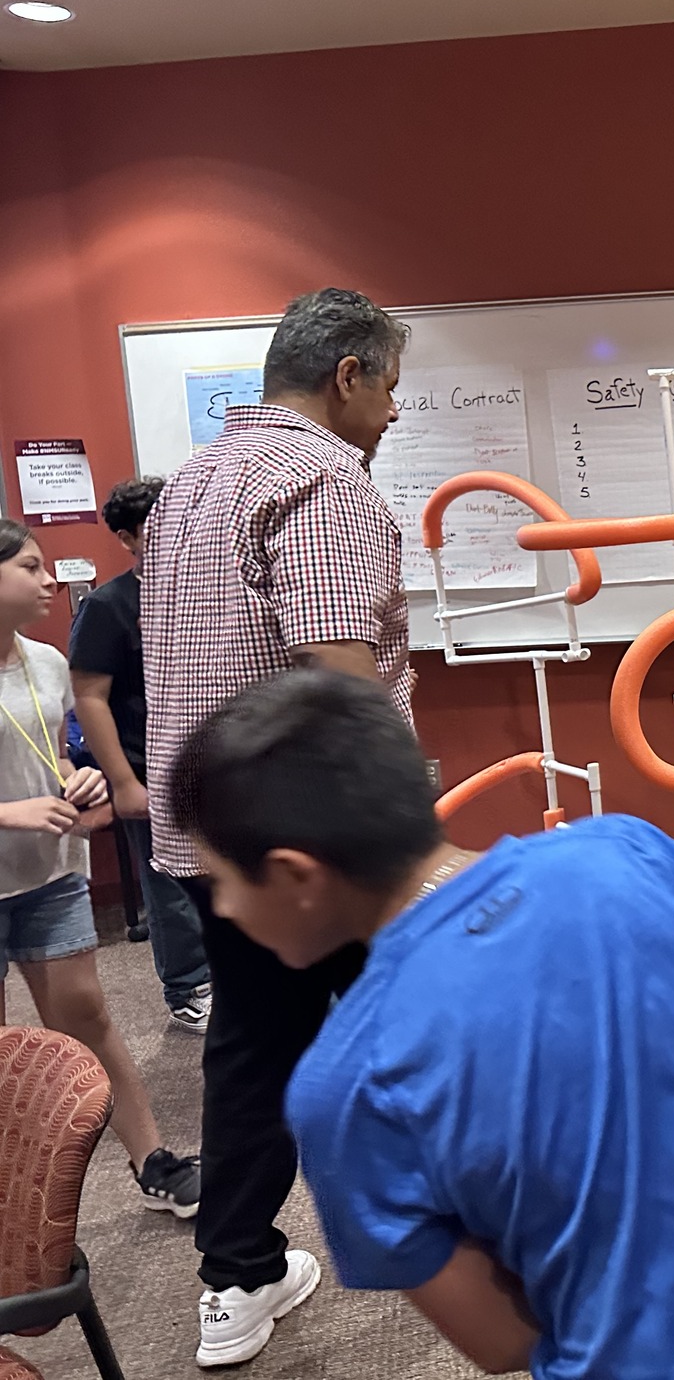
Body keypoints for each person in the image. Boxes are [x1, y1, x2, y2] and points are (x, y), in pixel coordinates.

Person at [168, 671, 674, 1380]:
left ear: (297, 876)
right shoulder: (632, 849)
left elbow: (498, 1342)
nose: (223, 910)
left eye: (222, 881)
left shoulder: (345, 1086)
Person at [142, 286, 410, 1367]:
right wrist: (405, 856)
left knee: (253, 1047)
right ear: (347, 374)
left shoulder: (190, 483)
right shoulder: (323, 480)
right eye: (389, 386)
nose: (393, 412)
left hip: (215, 836)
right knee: (426, 1030)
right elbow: (339, 683)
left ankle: (238, 1276)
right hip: (322, 844)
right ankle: (505, 1234)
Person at [0, 520, 201, 1215]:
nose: (50, 580)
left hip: (49, 874)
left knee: (87, 1015)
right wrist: (8, 812)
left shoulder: (46, 662)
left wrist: (74, 780)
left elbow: (48, 755)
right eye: (30, 567)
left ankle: (153, 1163)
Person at [69, 475, 212, 1032]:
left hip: (213, 759)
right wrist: (123, 781)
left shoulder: (205, 590)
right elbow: (89, 697)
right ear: (128, 539)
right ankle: (186, 987)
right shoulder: (108, 606)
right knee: (170, 885)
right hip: (147, 766)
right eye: (159, 528)